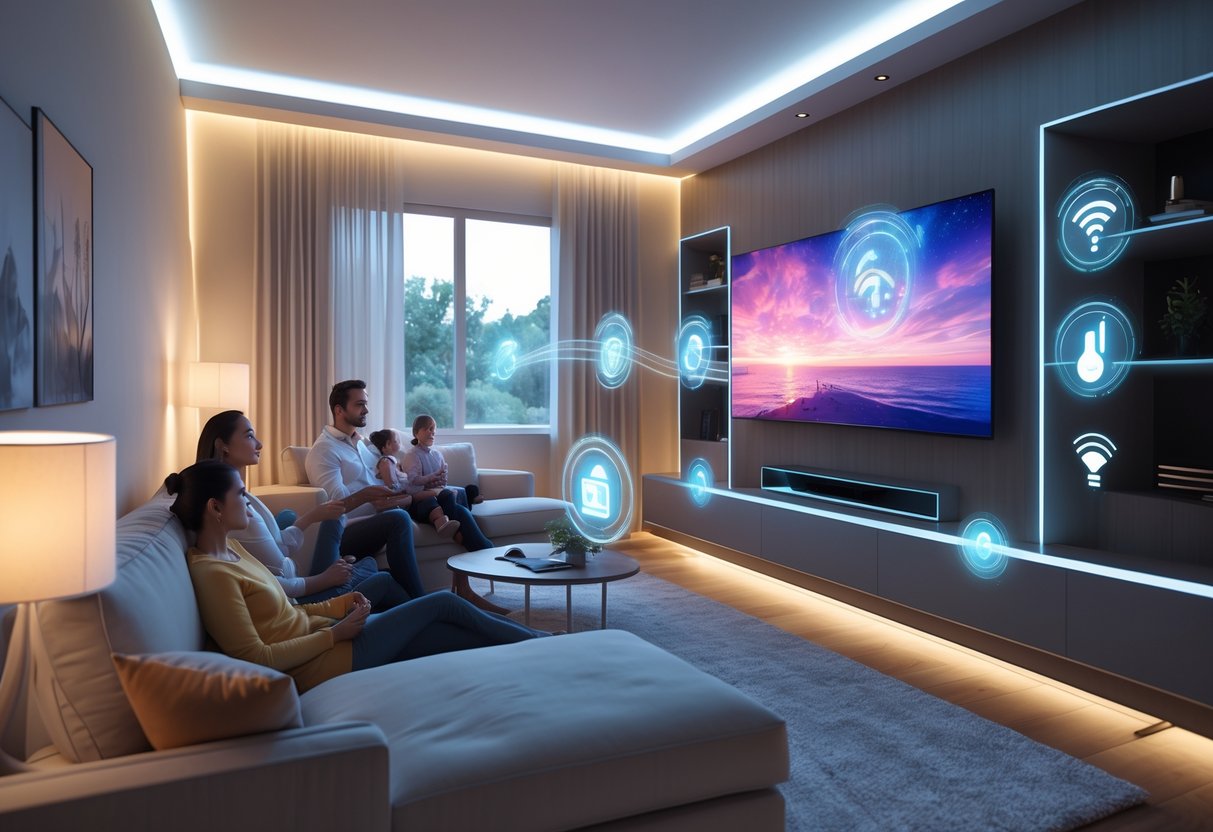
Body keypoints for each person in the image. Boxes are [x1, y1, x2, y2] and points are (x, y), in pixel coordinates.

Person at [167, 460, 544, 693]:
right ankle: (545, 644)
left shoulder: (233, 550)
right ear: (215, 507)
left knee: (445, 633)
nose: (249, 501)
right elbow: (258, 657)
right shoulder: (211, 573)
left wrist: (344, 604)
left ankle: (535, 650)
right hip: (324, 662)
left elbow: (290, 614)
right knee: (443, 602)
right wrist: (335, 632)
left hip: (328, 638)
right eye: (242, 494)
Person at [305, 380, 504, 613]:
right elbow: (336, 507)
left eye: (366, 404)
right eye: (360, 404)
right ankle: (422, 604)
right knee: (398, 518)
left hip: (390, 506)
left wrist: (408, 490)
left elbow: (387, 478)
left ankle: (482, 573)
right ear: (339, 410)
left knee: (453, 508)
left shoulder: (363, 445)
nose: (366, 410)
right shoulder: (324, 451)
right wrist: (373, 498)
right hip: (351, 527)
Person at [197, 410, 407, 610]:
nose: (259, 443)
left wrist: (313, 516)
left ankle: (420, 613)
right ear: (223, 446)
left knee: (368, 563)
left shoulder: (244, 499)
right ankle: (426, 614)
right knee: (379, 574)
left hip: (298, 578)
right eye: (249, 436)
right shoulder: (233, 511)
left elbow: (279, 552)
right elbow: (278, 579)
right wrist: (325, 579)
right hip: (298, 600)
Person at [368, 428, 460, 538]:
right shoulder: (387, 461)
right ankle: (445, 522)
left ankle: (443, 522)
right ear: (388, 445)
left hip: (412, 494)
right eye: (397, 440)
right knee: (440, 494)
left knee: (436, 496)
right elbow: (391, 485)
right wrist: (401, 491)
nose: (401, 443)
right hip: (406, 497)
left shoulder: (395, 462)